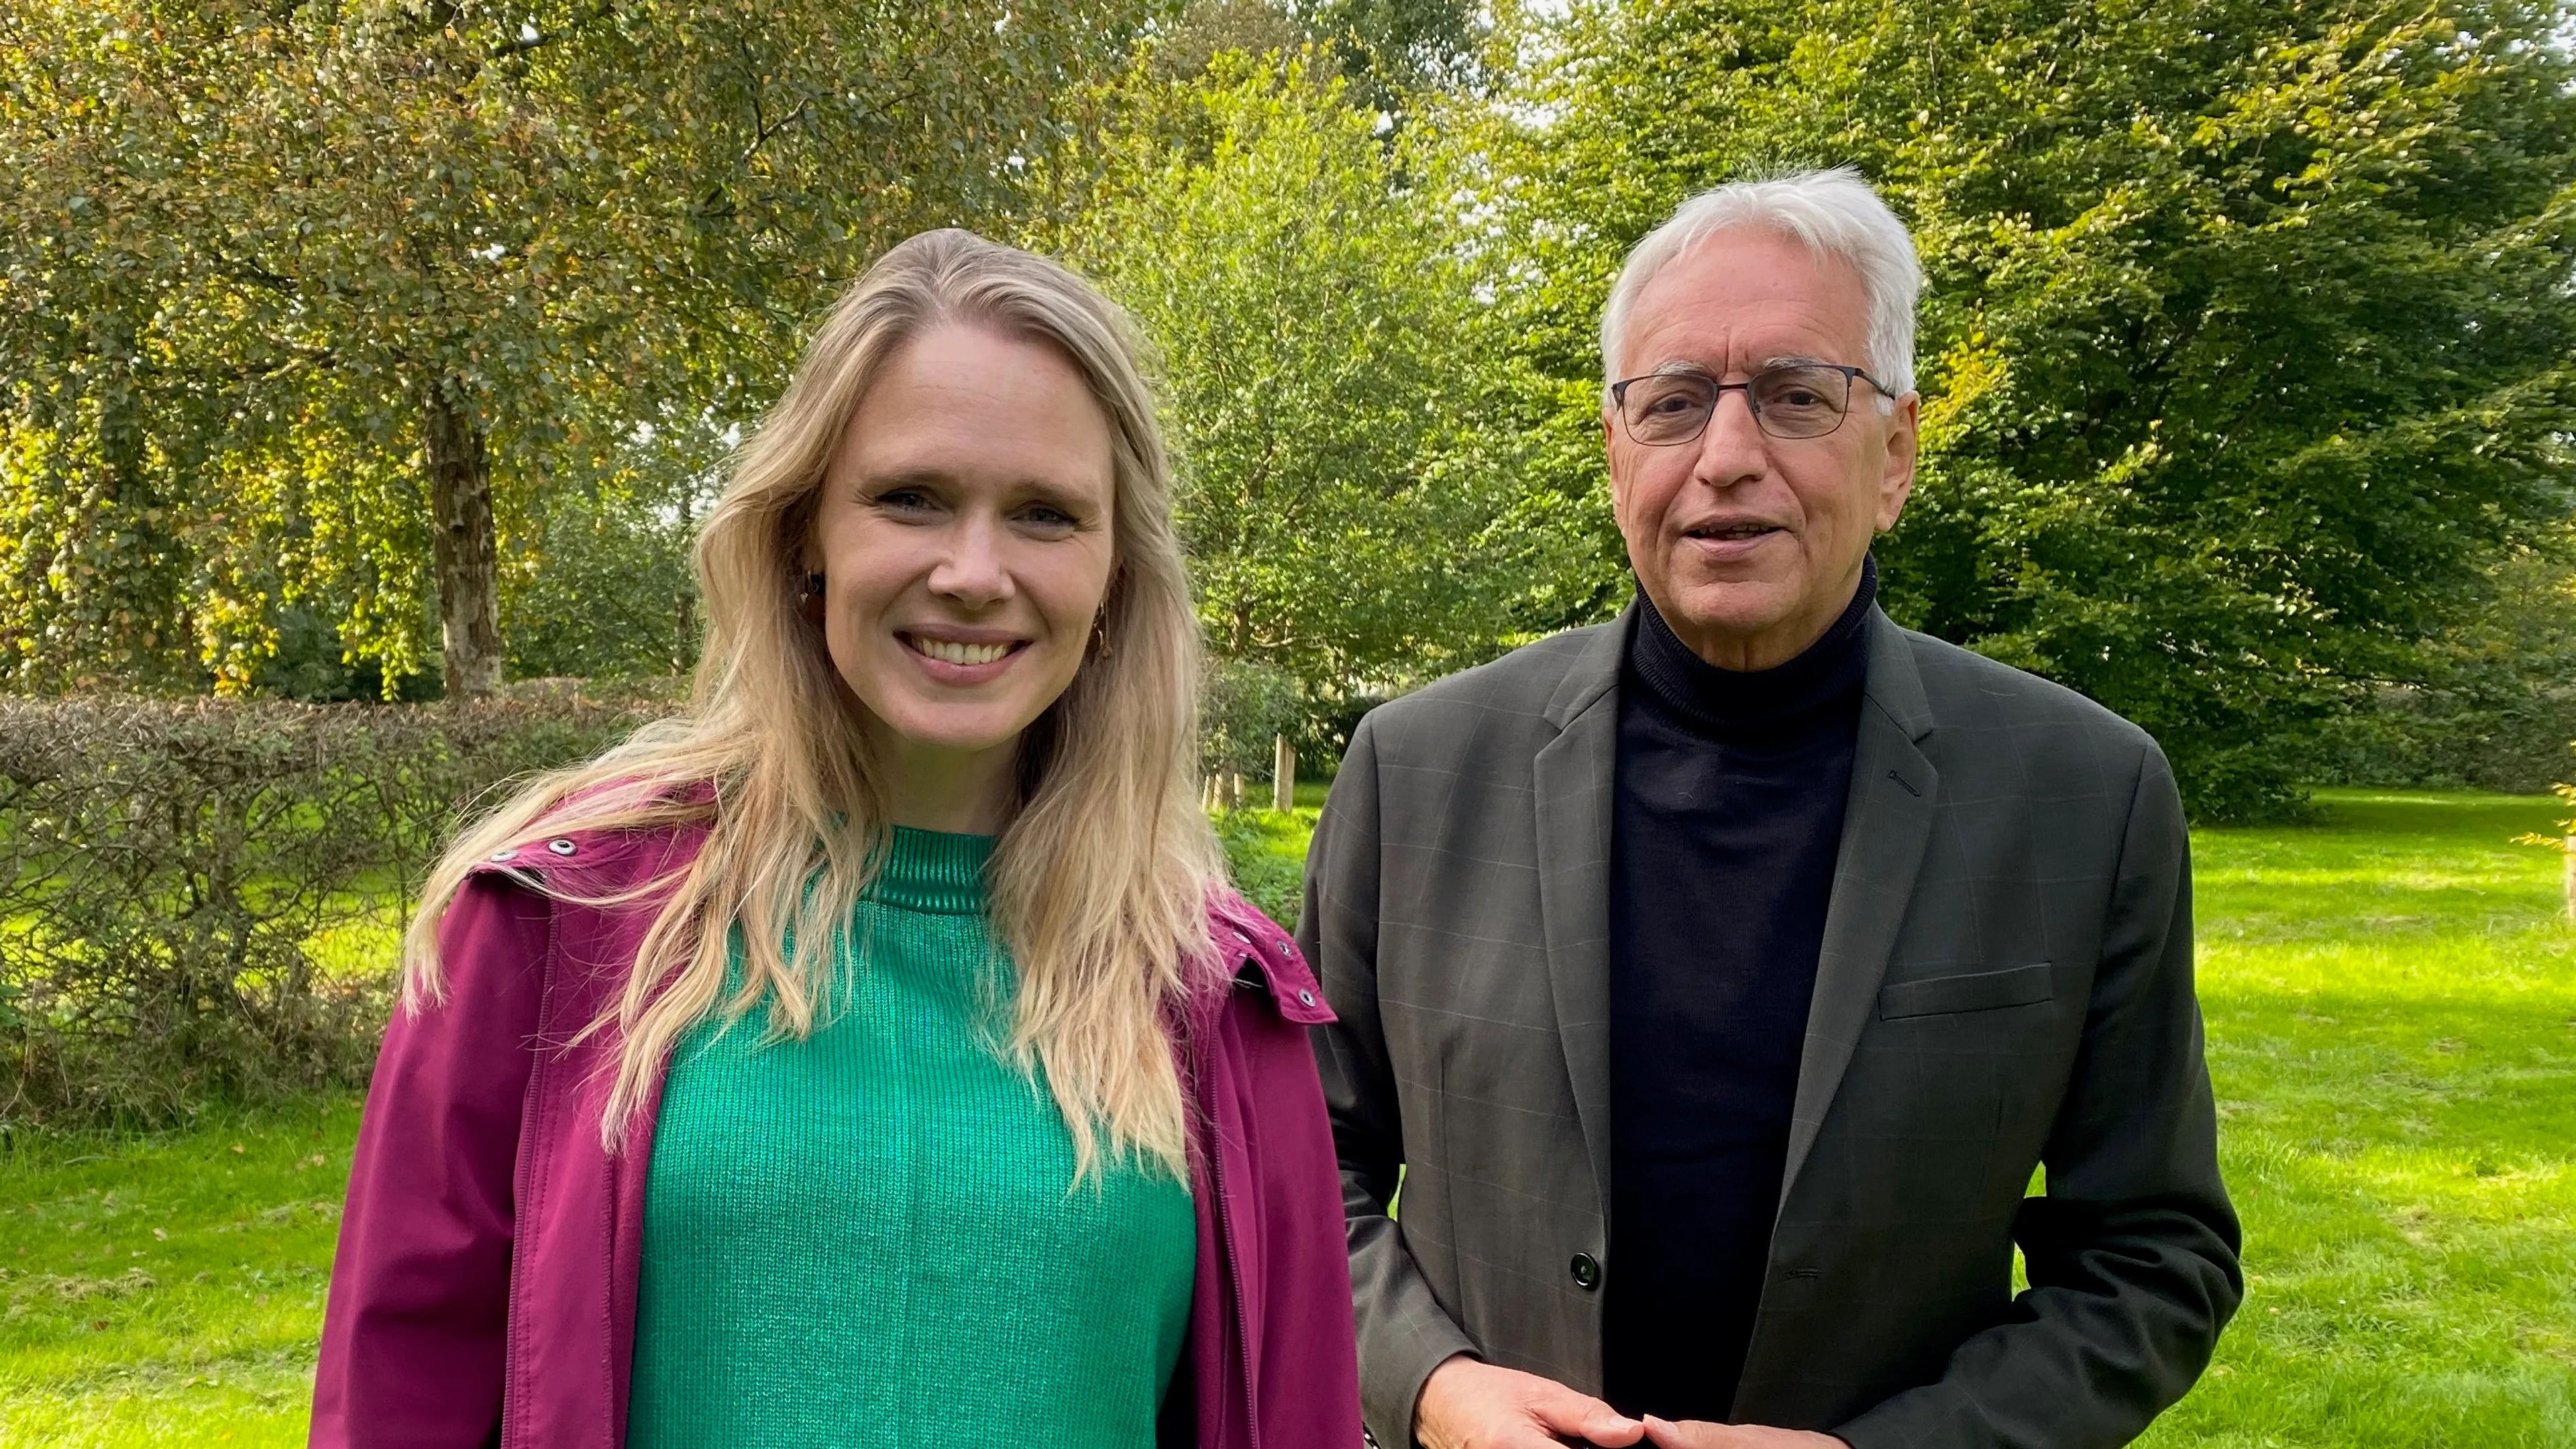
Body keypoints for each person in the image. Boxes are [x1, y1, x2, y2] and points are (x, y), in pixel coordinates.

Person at [311, 229, 1362, 1449]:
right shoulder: (556, 926)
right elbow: (400, 1400)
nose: (975, 572)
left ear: (1117, 575)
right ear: (805, 533)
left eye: (1045, 514)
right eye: (911, 498)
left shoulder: (1218, 997)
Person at [1303, 168, 2241, 1449]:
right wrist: (1437, 1390)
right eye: (1674, 403)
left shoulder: (2086, 795)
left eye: (1798, 397)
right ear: (1616, 450)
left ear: (1896, 452)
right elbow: (1297, 1175)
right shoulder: (1415, 769)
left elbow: (2153, 1251)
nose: (1727, 458)